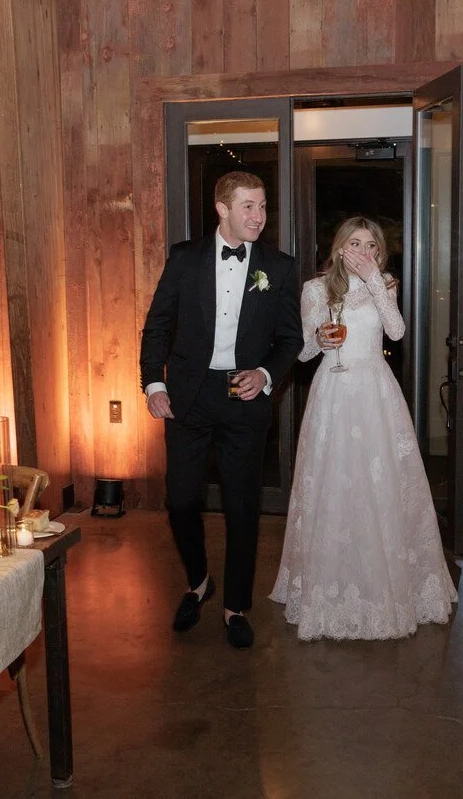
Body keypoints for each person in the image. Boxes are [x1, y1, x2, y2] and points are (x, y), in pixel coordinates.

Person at [270, 216, 458, 640]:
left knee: (381, 484)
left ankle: (390, 586)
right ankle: (327, 587)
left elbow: (397, 330)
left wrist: (375, 281)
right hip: (333, 392)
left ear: (379, 252)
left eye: (371, 245)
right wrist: (320, 338)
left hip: (376, 393)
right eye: (355, 243)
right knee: (335, 484)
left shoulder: (385, 283)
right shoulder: (317, 289)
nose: (363, 252)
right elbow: (301, 353)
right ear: (339, 248)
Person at [141, 170, 303, 649]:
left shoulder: (279, 265)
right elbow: (157, 327)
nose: (259, 216)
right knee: (181, 499)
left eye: (263, 206)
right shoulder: (185, 259)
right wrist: (154, 385)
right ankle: (199, 580)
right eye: (249, 206)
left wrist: (267, 374)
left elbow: (290, 338)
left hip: (243, 397)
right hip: (188, 396)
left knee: (242, 507)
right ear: (223, 208)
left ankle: (236, 606)